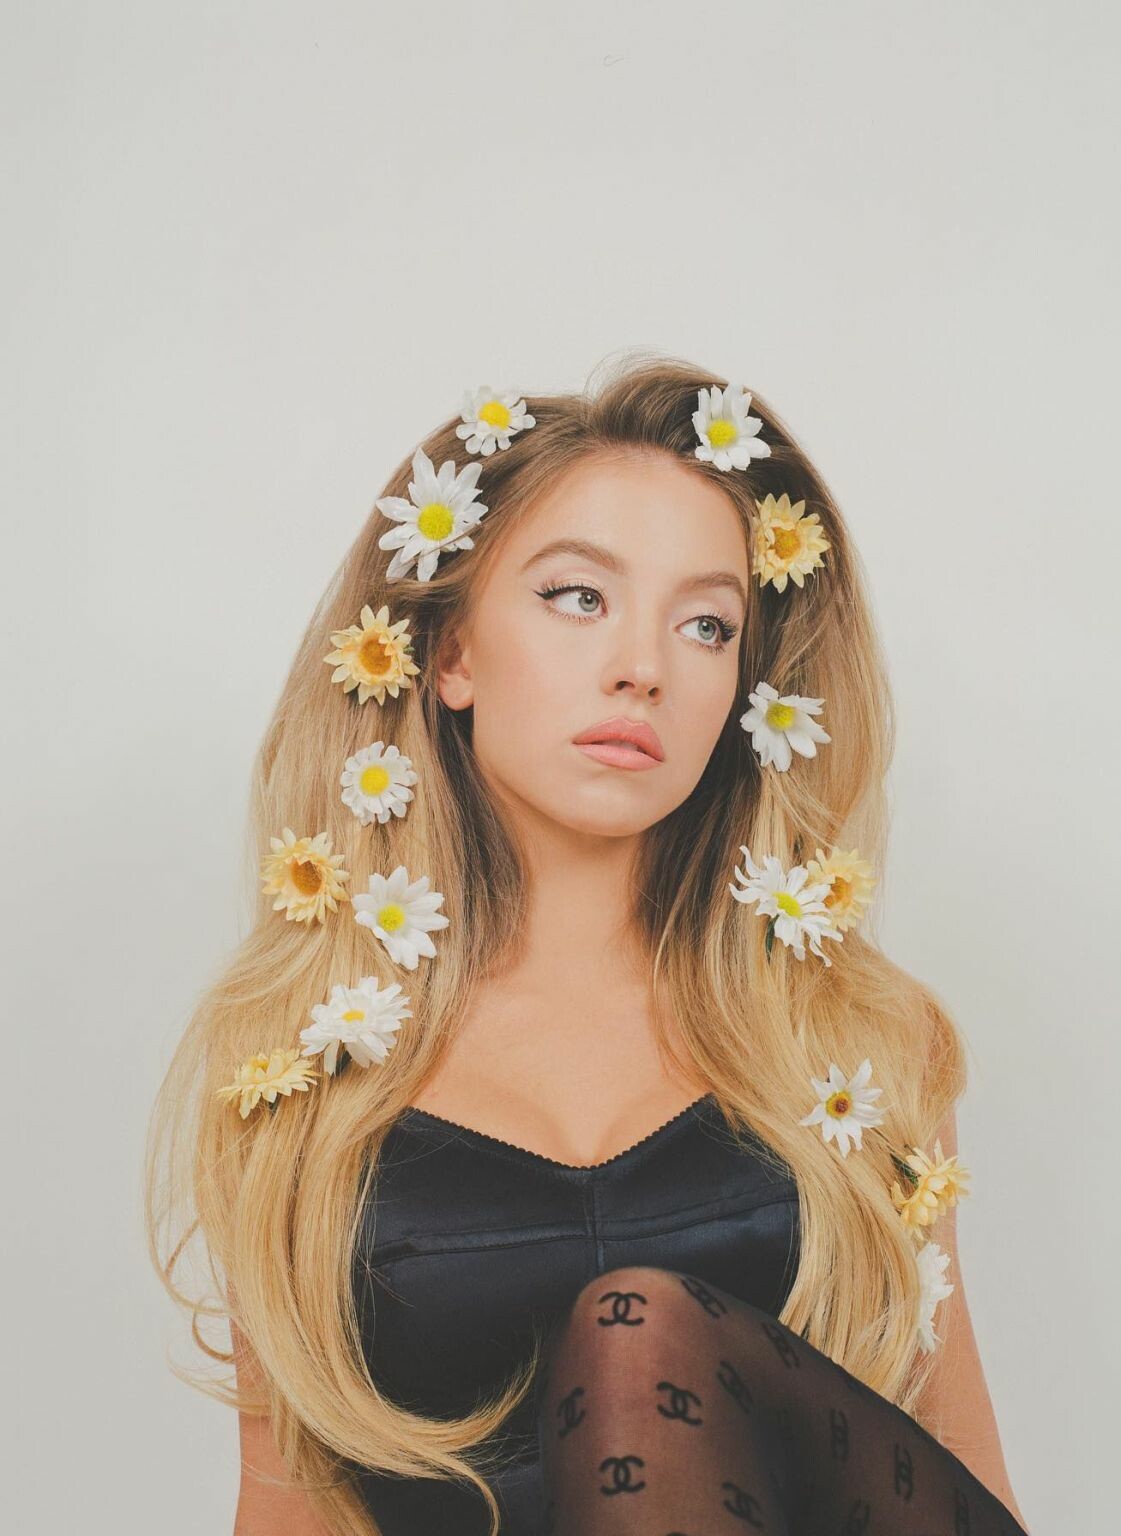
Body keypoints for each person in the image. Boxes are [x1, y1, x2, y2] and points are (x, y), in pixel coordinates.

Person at [145, 354, 1032, 1535]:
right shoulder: (292, 1066)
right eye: (577, 597)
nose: (642, 668)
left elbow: (951, 1459)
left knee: (638, 1330)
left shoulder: (852, 1041)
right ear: (449, 654)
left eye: (706, 625)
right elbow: (287, 1509)